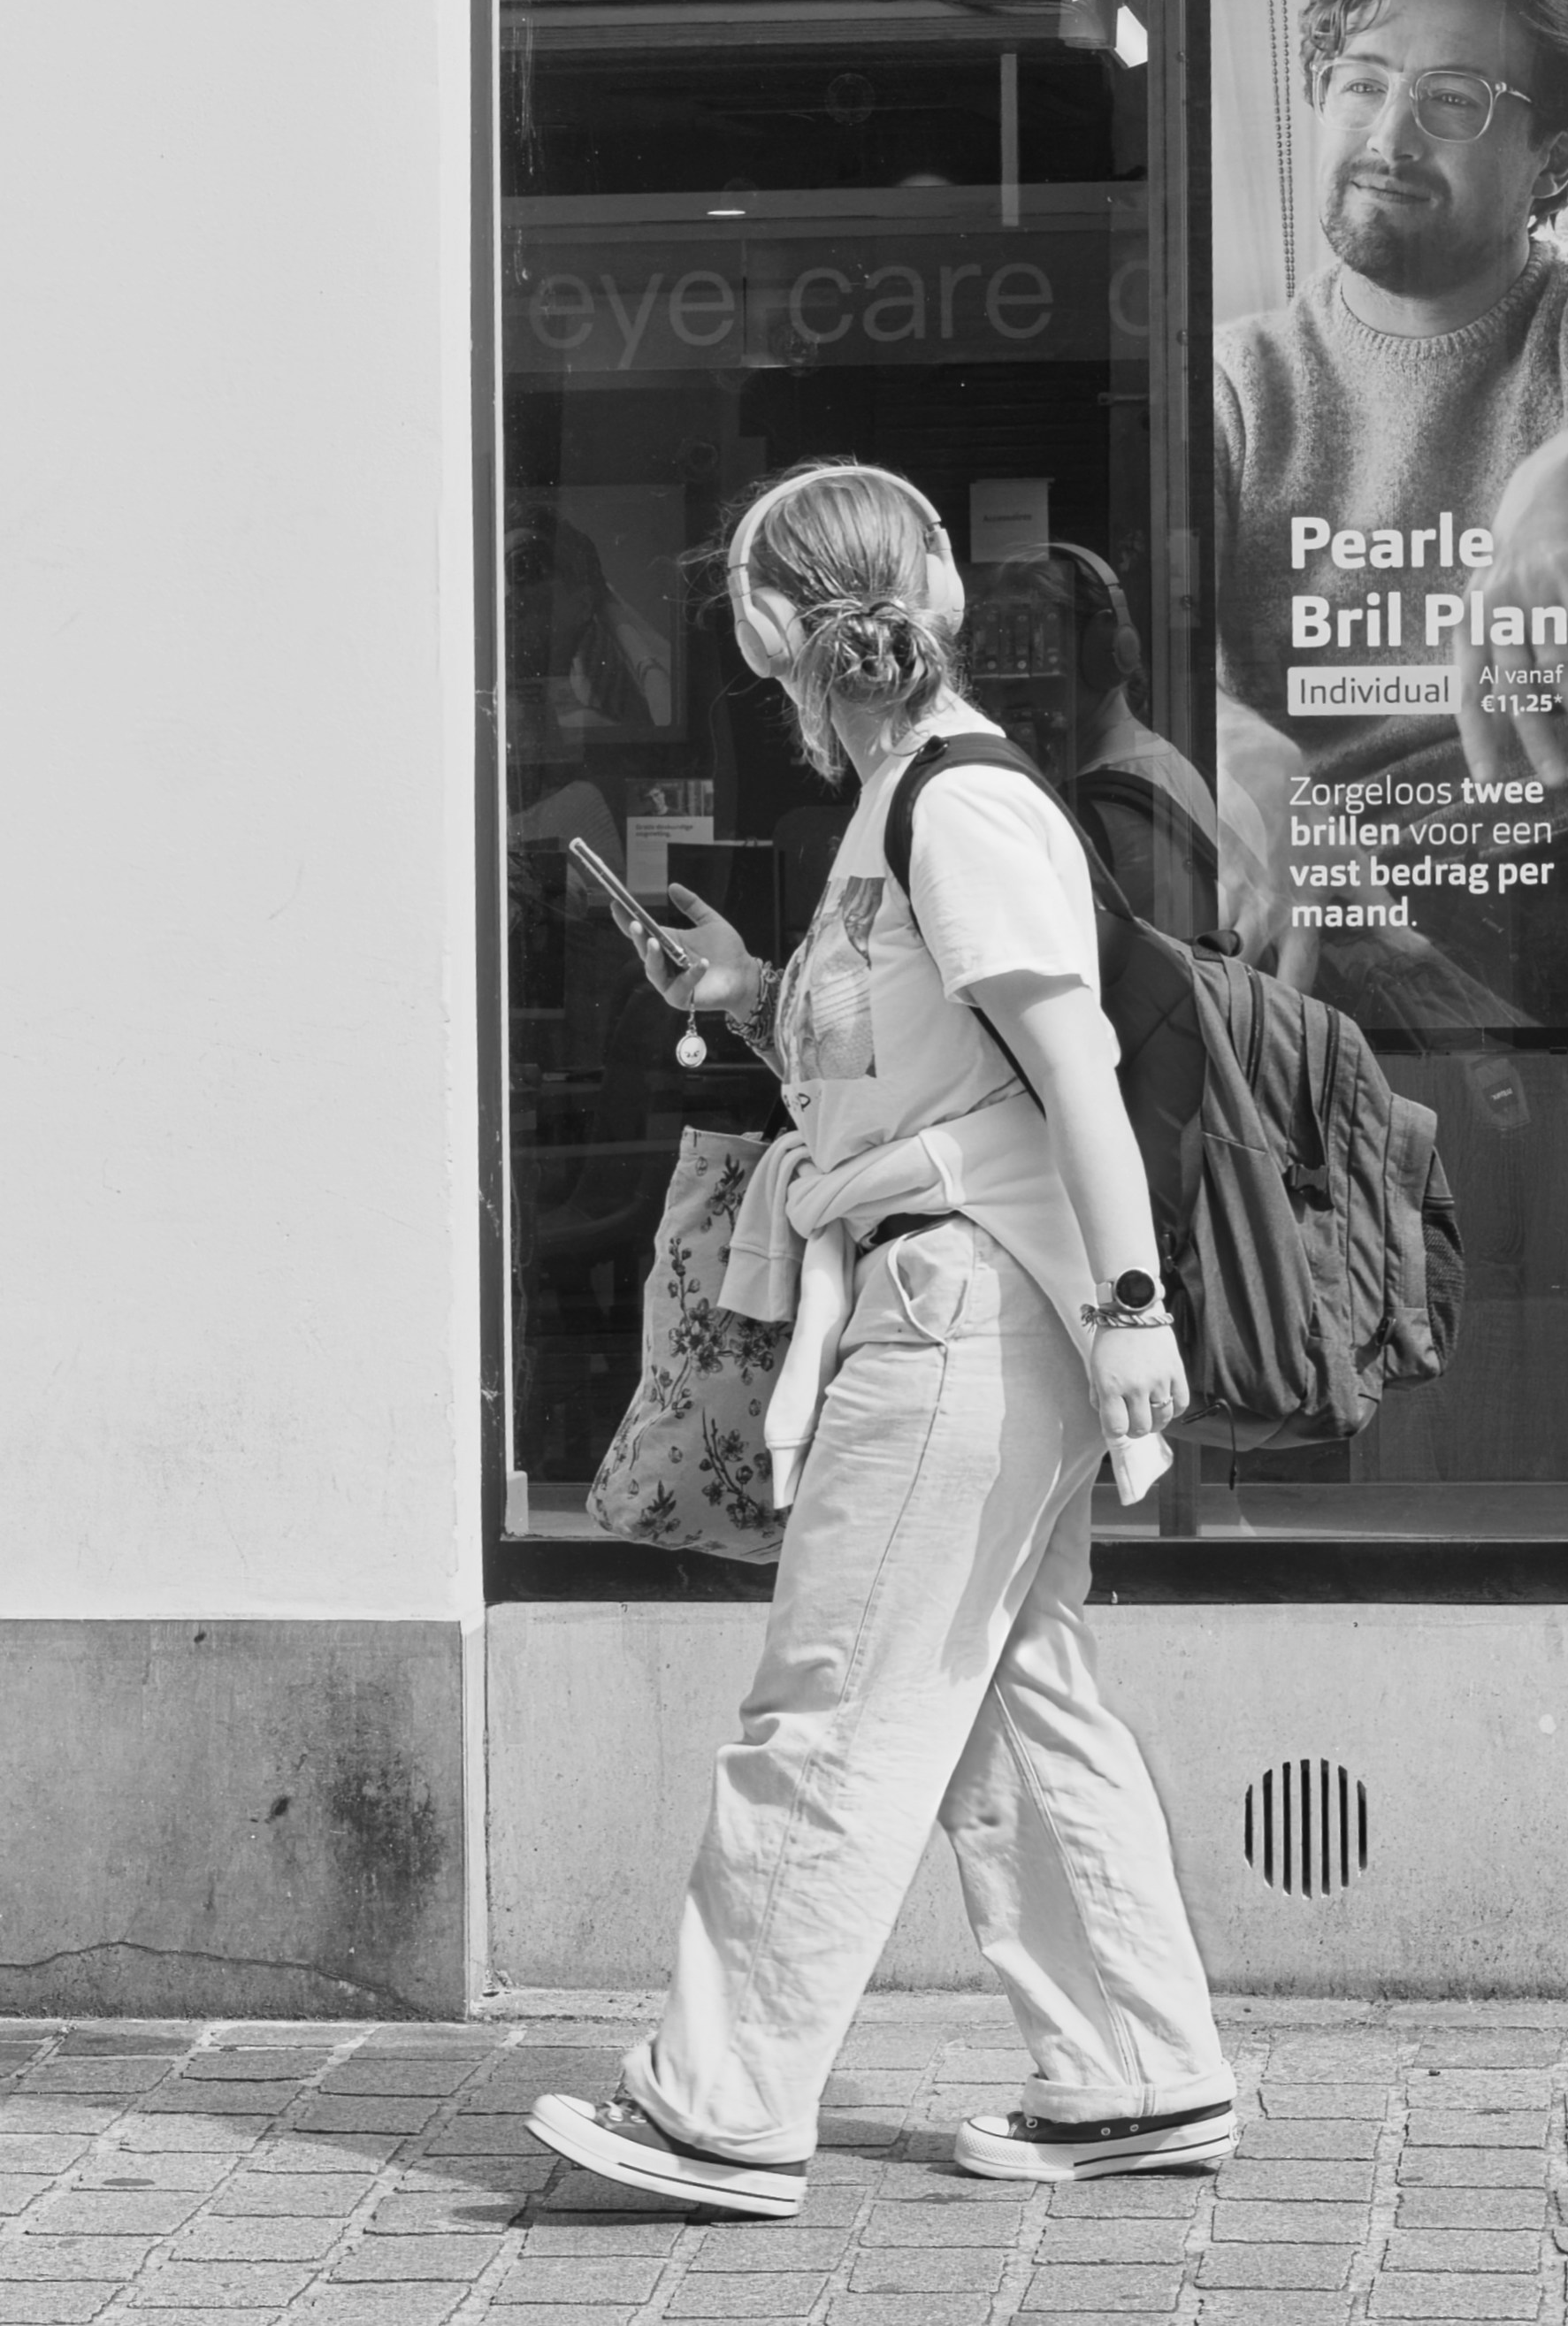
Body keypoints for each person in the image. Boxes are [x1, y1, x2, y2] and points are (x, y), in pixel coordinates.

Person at [525, 460, 1233, 2219]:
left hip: (965, 1305)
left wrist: (1134, 1306)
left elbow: (1072, 1066)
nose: (756, 676)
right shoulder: (897, 805)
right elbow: (938, 1058)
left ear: (784, 636)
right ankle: (1135, 2071)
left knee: (834, 1702)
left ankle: (723, 2101)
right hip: (962, 1291)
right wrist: (755, 997)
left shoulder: (958, 803)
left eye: (752, 642)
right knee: (1009, 1698)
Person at [1212, 0, 1568, 998]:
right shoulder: (1236, 389)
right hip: (1336, 924)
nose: (1388, 136)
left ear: (1555, 165)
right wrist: (1239, 758)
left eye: (1451, 99)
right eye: (1360, 84)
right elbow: (1134, 673)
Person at [966, 541, 1264, 945]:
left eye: (1041, 649)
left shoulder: (1094, 808)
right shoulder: (1164, 762)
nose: (1015, 680)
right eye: (1002, 653)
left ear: (1105, 650)